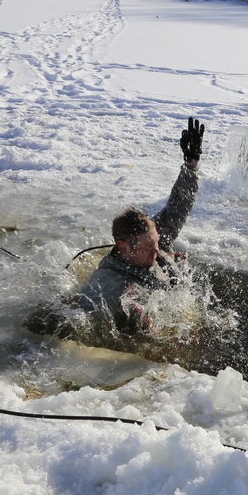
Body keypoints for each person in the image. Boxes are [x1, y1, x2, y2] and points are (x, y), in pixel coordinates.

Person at [75, 117, 204, 339]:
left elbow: (177, 208)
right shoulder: (121, 294)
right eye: (148, 247)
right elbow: (152, 343)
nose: (157, 250)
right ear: (123, 247)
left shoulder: (150, 242)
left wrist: (190, 165)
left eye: (156, 242)